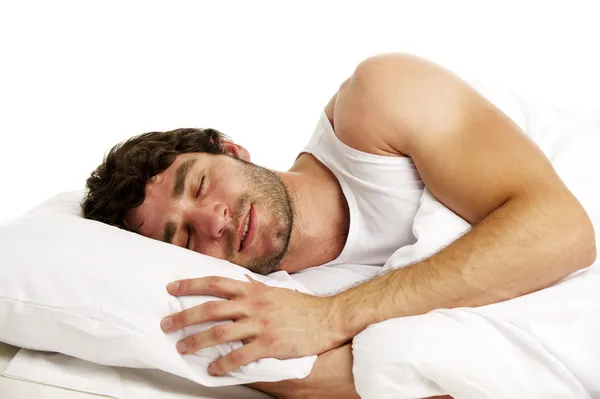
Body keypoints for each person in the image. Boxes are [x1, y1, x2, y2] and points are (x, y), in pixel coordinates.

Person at [82, 53, 596, 399]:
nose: (214, 219)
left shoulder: (377, 103)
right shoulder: (272, 310)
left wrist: (331, 318)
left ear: (230, 148)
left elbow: (563, 231)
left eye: (197, 185)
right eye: (186, 238)